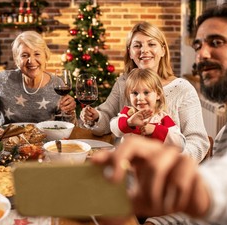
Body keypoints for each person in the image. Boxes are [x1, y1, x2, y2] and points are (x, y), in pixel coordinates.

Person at [92, 4, 227, 225]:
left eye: (217, 42)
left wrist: (172, 175)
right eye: (198, 45)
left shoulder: (187, 92)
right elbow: (111, 121)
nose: (202, 55)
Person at [81, 21, 209, 162]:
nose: (144, 50)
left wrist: (167, 162)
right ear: (130, 52)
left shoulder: (182, 89)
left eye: (151, 44)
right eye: (137, 45)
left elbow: (198, 142)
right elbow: (108, 121)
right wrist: (96, 117)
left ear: (163, 50)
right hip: (124, 165)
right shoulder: (123, 82)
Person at [110, 68, 185, 150]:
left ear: (158, 95)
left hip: (152, 161)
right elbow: (114, 128)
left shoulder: (162, 118)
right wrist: (129, 123)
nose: (140, 98)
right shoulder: (128, 113)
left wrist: (154, 130)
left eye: (146, 92)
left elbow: (180, 145)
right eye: (135, 93)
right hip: (127, 160)